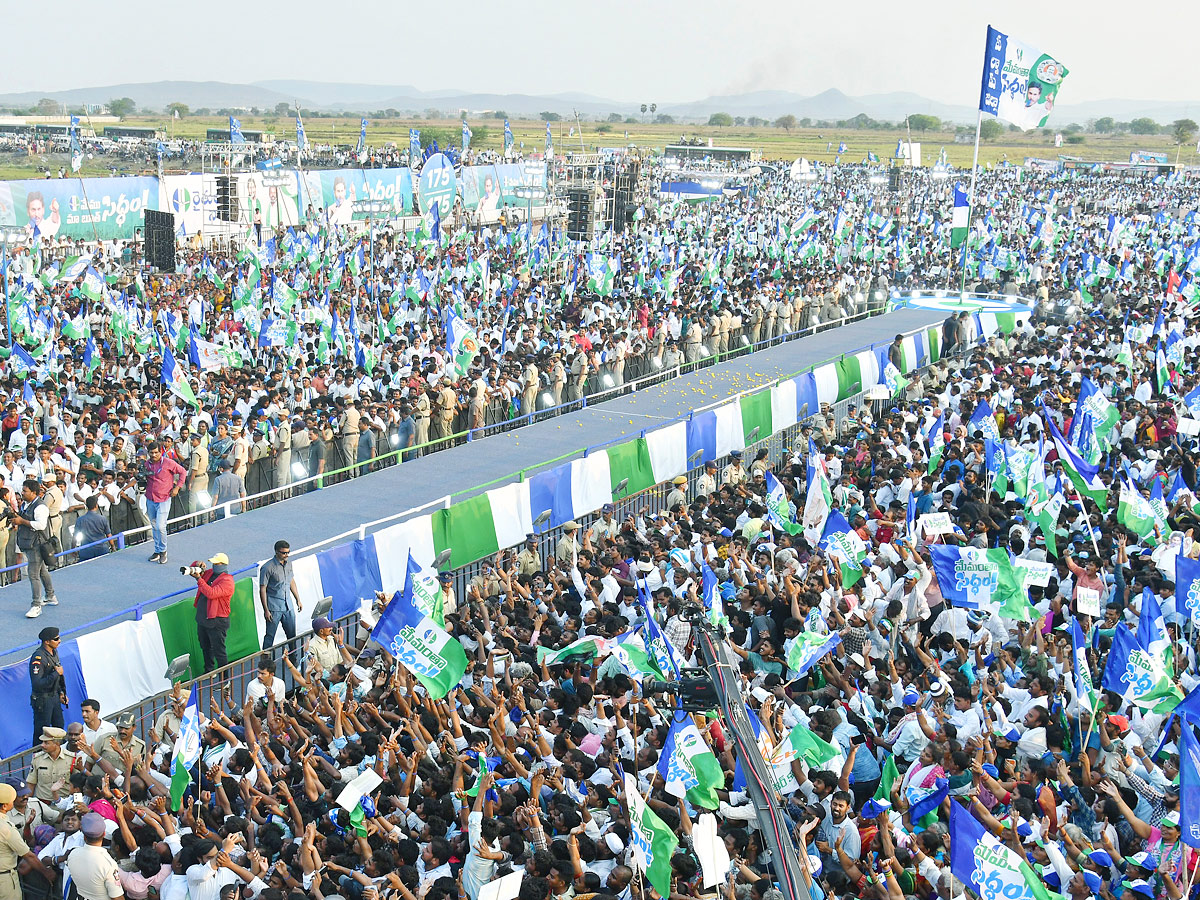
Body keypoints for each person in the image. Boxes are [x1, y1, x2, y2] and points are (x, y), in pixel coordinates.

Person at [0, 781, 55, 900]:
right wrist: (46, 873)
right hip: (4, 879)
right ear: (5, 806)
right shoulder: (5, 827)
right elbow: (28, 855)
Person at [13, 477, 57, 618]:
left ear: (33, 492)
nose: (22, 493)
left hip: (36, 545)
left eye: (25, 491)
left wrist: (22, 521)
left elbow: (40, 525)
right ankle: (51, 596)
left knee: (33, 574)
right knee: (42, 571)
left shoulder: (41, 507)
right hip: (29, 543)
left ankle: (36, 605)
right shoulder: (25, 504)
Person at [144, 441, 186, 565]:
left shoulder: (168, 463)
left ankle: (163, 551)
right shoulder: (146, 464)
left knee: (160, 526)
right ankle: (157, 550)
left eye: (156, 452)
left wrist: (177, 487)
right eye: (151, 453)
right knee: (153, 525)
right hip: (150, 498)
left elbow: (183, 471)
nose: (154, 455)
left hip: (164, 498)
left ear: (160, 452)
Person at [192, 552, 234, 673]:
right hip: (203, 618)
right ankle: (209, 671)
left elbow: (212, 593)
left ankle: (225, 678)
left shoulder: (227, 581)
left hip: (217, 621)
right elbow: (192, 570)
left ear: (223, 564)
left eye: (217, 563)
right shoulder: (209, 573)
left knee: (219, 651)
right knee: (205, 646)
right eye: (213, 563)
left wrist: (199, 579)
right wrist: (197, 564)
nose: (214, 565)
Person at [65, 812, 122, 900]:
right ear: (103, 834)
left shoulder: (73, 854)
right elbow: (117, 897)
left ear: (84, 836)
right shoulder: (108, 864)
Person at [259, 539, 301, 649]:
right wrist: (266, 610)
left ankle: (294, 661)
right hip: (274, 608)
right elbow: (262, 589)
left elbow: (291, 581)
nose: (286, 555)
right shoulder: (267, 567)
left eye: (288, 552)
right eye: (284, 553)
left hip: (288, 606)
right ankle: (265, 663)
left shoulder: (289, 564)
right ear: (277, 552)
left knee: (292, 636)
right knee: (269, 637)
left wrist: (298, 599)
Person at [29, 626, 66, 746]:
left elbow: (58, 678)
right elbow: (37, 684)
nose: (59, 640)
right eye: (56, 639)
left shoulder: (54, 652)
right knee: (41, 731)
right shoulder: (38, 658)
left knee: (59, 727)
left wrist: (61, 693)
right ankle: (37, 759)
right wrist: (56, 673)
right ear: (47, 641)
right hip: (43, 700)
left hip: (54, 697)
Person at [74, 495, 115, 560]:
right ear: (96, 505)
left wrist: (73, 549)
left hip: (86, 552)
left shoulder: (80, 520)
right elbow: (109, 535)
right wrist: (113, 546)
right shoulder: (102, 519)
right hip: (101, 550)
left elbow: (75, 537)